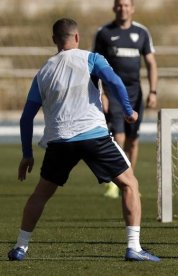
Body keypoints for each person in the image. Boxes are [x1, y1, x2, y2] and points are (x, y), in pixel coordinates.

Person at [7, 18, 159, 262]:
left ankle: (20, 247)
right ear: (77, 38)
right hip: (93, 136)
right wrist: (129, 110)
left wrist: (27, 153)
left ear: (54, 40)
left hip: (59, 142)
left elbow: (26, 119)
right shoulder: (92, 58)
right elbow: (115, 82)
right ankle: (133, 247)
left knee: (41, 194)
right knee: (130, 185)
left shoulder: (43, 71)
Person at [93, 0, 158, 198]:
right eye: (119, 5)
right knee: (118, 136)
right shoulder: (104, 32)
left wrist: (153, 91)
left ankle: (129, 179)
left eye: (127, 5)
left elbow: (151, 63)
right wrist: (101, 93)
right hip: (112, 92)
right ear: (114, 8)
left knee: (133, 140)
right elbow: (94, 66)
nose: (123, 8)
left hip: (135, 93)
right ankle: (115, 181)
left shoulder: (142, 32)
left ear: (132, 8)